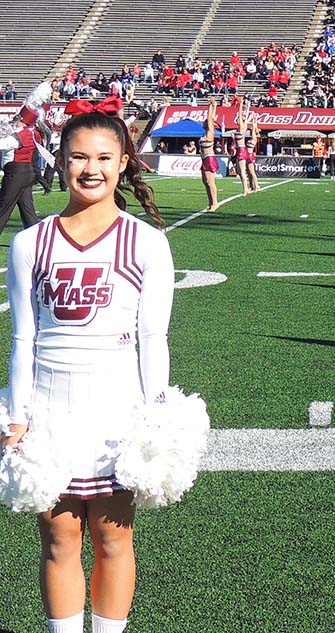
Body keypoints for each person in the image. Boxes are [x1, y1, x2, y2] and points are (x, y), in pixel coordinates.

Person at [0, 101, 198, 633]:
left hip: (116, 409)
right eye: (78, 157)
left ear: (123, 162)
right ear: (59, 162)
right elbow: (24, 337)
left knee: (114, 536)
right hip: (47, 408)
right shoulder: (29, 243)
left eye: (104, 158)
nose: (91, 169)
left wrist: (155, 417)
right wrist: (16, 416)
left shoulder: (147, 243)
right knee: (58, 537)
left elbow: (154, 339)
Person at [0, 105, 47, 234]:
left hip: (16, 173)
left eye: (18, 118)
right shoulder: (33, 133)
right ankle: (35, 238)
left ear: (22, 121)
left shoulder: (20, 134)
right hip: (27, 173)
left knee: (3, 207)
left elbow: (3, 145)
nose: (15, 120)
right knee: (27, 211)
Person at [199, 99, 219, 212]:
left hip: (209, 158)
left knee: (210, 182)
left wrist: (210, 106)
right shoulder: (205, 133)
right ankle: (210, 203)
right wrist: (213, 106)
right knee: (205, 182)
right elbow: (211, 119)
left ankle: (215, 203)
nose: (205, 121)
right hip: (204, 158)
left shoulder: (210, 132)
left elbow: (210, 119)